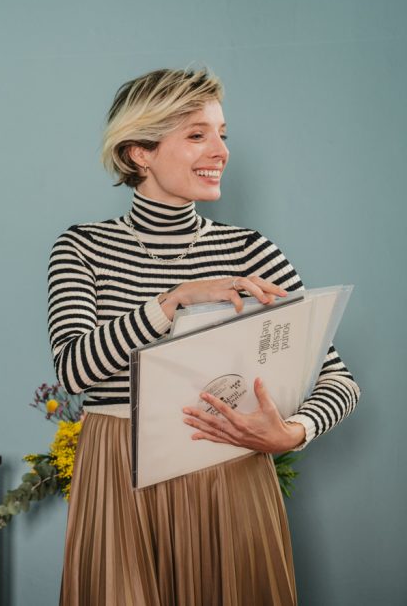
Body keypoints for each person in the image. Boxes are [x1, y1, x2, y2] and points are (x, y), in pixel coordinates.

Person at [47, 67, 360, 605]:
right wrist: (171, 302)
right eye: (197, 134)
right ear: (138, 153)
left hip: (231, 475)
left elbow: (338, 379)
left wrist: (294, 432)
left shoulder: (252, 251)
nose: (221, 150)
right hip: (120, 477)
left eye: (222, 134)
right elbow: (75, 370)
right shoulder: (83, 248)